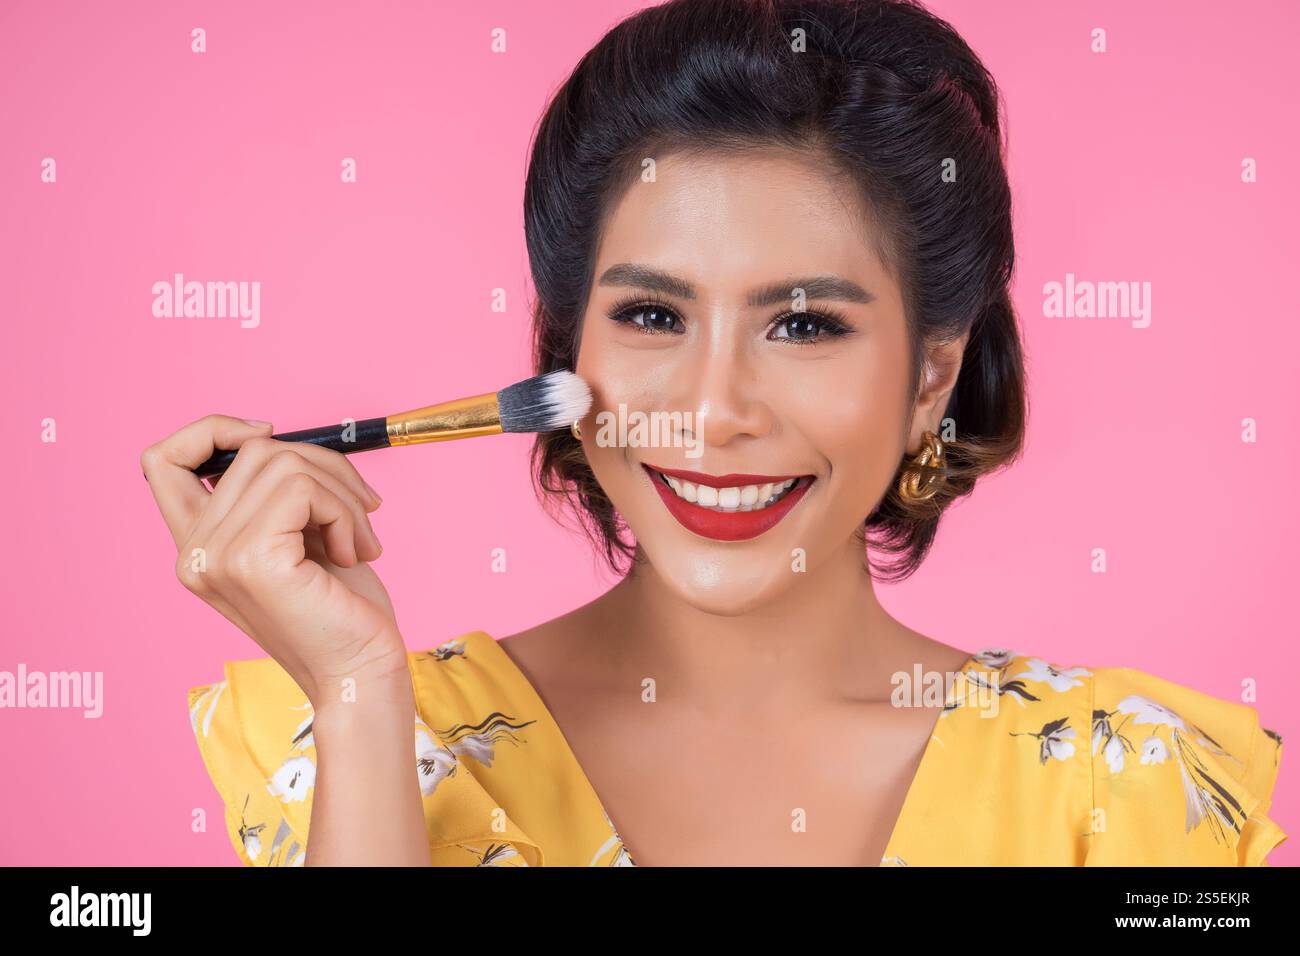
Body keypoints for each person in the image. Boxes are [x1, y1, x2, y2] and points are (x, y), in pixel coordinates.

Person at [148, 0, 1286, 866]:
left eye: (802, 322)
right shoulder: (355, 733)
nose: (711, 410)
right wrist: (355, 691)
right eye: (651, 314)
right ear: (564, 354)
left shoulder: (1132, 787)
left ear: (932, 373)